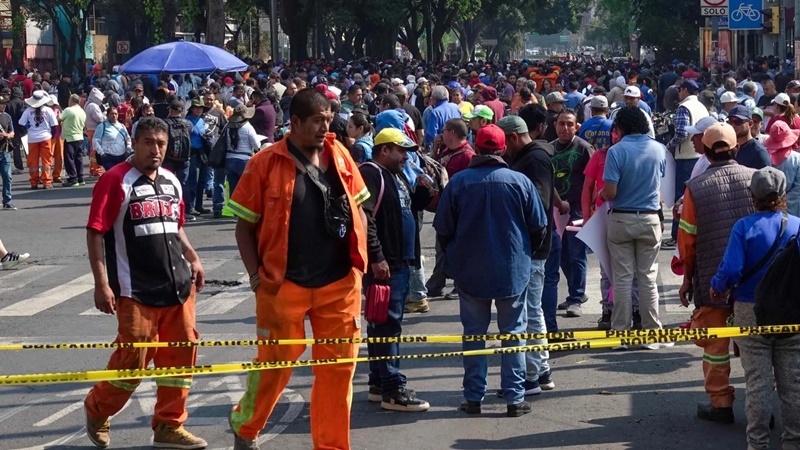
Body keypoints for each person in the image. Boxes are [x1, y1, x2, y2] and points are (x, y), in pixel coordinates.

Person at [226, 88, 370, 449]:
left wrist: (369, 263)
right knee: (277, 363)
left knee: (338, 372)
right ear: (295, 123)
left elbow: (361, 212)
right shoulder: (263, 163)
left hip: (339, 284)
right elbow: (243, 225)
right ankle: (246, 425)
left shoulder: (341, 155)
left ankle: (331, 446)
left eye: (328, 120)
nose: (324, 128)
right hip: (281, 284)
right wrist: (256, 277)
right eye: (317, 121)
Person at [83, 116, 207, 450]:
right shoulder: (114, 180)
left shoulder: (171, 180)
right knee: (132, 360)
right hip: (134, 290)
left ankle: (169, 425)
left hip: (178, 289)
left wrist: (193, 257)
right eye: (149, 142)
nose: (156, 150)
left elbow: (176, 226)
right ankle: (97, 409)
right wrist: (102, 283)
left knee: (181, 358)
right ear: (134, 143)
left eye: (161, 144)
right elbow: (96, 232)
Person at [433, 124, 547, 417]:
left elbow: (443, 231)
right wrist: (523, 254)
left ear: (477, 147)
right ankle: (514, 398)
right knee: (514, 335)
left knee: (474, 336)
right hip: (512, 271)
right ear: (502, 149)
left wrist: (457, 259)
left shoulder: (459, 183)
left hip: (470, 273)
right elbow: (539, 227)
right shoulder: (519, 182)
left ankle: (473, 397)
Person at [710, 167, 800, 450]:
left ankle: (758, 443)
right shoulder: (797, 225)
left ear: (753, 196)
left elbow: (732, 270)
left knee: (758, 382)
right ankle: (793, 441)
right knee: (793, 382)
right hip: (793, 312)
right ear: (783, 195)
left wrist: (717, 285)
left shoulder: (744, 227)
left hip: (751, 309)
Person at [677, 122, 756, 422]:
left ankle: (721, 402)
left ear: (707, 154)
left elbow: (687, 239)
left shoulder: (694, 188)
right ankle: (757, 404)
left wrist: (687, 279)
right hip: (751, 282)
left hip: (711, 279)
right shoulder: (756, 179)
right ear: (736, 148)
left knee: (715, 345)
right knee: (754, 345)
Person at [360, 128, 433, 412]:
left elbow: (406, 210)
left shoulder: (396, 176)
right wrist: (377, 256)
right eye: (401, 150)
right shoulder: (371, 172)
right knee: (387, 325)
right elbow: (366, 217)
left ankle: (380, 382)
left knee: (383, 322)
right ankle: (392, 389)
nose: (405, 156)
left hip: (399, 261)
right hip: (386, 263)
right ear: (385, 149)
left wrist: (424, 194)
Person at [600, 106, 670, 342]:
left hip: (621, 218)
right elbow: (658, 187)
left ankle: (620, 331)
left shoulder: (616, 152)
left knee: (622, 278)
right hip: (650, 218)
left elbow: (610, 192)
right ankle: (652, 331)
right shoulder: (659, 149)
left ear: (619, 128)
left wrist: (600, 193)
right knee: (648, 278)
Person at [498, 114, 557, 395]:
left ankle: (532, 375)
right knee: (531, 309)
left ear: (512, 137)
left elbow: (539, 203)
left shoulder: (534, 159)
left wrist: (532, 242)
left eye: (504, 143)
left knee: (530, 311)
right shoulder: (529, 157)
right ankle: (540, 369)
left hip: (532, 247)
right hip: (530, 245)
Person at [425, 118, 475, 301]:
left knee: (458, 247)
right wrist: (435, 149)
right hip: (444, 207)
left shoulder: (467, 156)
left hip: (459, 209)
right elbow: (432, 167)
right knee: (442, 246)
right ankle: (436, 283)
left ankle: (459, 284)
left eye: (444, 131)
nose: (441, 134)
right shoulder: (447, 151)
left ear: (452, 133)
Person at [550, 109, 593, 317]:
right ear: (555, 125)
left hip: (578, 209)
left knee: (577, 254)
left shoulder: (584, 148)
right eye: (561, 123)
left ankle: (576, 297)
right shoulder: (549, 150)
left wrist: (590, 208)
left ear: (577, 126)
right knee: (561, 254)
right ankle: (574, 293)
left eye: (570, 124)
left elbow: (593, 179)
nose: (565, 128)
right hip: (556, 210)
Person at [664, 80, 709, 248]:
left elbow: (681, 133)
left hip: (685, 158)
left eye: (680, 90)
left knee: (681, 197)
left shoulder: (684, 108)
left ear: (685, 90)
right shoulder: (702, 107)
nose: (679, 93)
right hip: (700, 156)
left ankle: (677, 235)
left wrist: (669, 145)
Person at [223, 103, 261, 208]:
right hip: (244, 159)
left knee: (233, 187)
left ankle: (235, 210)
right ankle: (244, 209)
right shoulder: (248, 127)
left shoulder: (228, 127)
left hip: (229, 159)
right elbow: (257, 145)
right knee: (246, 187)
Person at [19, 90, 58, 189]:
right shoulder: (48, 110)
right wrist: (52, 136)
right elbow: (55, 126)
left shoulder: (28, 111)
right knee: (47, 161)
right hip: (46, 137)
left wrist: (28, 130)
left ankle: (34, 182)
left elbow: (21, 124)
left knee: (33, 162)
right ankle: (47, 182)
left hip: (32, 138)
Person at [764, 121, 800, 216]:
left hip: (768, 208)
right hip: (794, 210)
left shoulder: (765, 157)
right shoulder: (797, 159)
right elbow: (798, 189)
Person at [184, 98, 208, 219]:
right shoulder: (187, 121)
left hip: (202, 152)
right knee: (193, 181)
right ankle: (191, 206)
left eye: (201, 108)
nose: (199, 110)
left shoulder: (202, 121)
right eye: (197, 107)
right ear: (192, 109)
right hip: (192, 153)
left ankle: (199, 205)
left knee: (201, 181)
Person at [727, 105, 770, 170]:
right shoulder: (727, 147)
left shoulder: (759, 152)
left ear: (750, 123)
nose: (733, 125)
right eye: (730, 122)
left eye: (738, 122)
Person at [93, 106, 133, 171]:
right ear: (107, 115)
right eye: (112, 114)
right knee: (112, 175)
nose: (114, 115)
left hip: (122, 157)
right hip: (108, 157)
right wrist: (102, 153)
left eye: (116, 114)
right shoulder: (102, 126)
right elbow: (95, 141)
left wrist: (128, 149)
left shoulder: (122, 126)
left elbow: (128, 139)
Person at [59, 94, 87, 187]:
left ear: (71, 101)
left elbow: (58, 118)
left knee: (69, 159)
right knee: (78, 158)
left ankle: (73, 178)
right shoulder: (82, 111)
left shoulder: (68, 110)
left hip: (70, 137)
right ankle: (80, 177)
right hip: (79, 137)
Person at [423, 85, 461, 149]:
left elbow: (431, 135)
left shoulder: (435, 112)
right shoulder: (456, 107)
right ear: (448, 97)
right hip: (458, 144)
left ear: (434, 100)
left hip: (443, 147)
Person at [84, 87, 106, 176]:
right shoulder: (93, 106)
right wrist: (104, 114)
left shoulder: (87, 104)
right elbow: (100, 118)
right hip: (95, 130)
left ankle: (93, 169)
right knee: (96, 151)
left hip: (90, 129)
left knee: (93, 151)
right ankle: (97, 169)